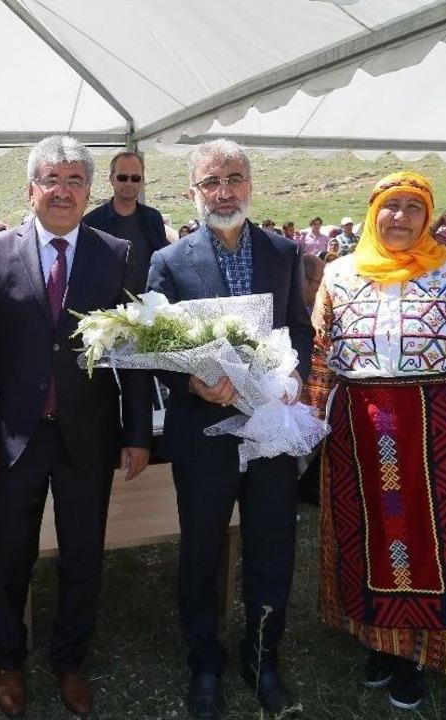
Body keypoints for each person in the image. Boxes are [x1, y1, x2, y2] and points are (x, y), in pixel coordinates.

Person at [306, 172, 446, 712]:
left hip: (439, 425)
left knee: (437, 540)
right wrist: (309, 421)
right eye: (389, 206)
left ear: (429, 217)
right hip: (359, 426)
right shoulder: (339, 274)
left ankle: (427, 652)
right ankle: (381, 642)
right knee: (370, 532)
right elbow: (320, 353)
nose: (399, 217)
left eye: (412, 207)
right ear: (372, 212)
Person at [0, 135, 152, 719]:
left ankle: (70, 661)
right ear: (31, 189)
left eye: (75, 181)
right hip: (14, 434)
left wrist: (138, 432)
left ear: (88, 191)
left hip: (87, 435)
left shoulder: (116, 253)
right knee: (10, 555)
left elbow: (136, 348)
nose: (63, 191)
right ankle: (8, 660)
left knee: (82, 554)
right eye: (52, 179)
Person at [147, 139, 311, 720]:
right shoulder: (169, 261)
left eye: (234, 178)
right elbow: (157, 345)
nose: (224, 192)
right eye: (211, 181)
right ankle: (205, 662)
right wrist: (190, 383)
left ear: (250, 185)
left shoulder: (285, 253)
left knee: (272, 543)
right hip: (204, 430)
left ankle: (263, 656)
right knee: (202, 547)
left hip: (270, 428)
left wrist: (297, 382)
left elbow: (299, 331)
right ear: (194, 192)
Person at [83, 149, 170, 292]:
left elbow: (163, 260)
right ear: (112, 179)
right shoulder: (92, 223)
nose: (129, 183)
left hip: (149, 304)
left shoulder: (153, 218)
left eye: (135, 178)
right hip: (109, 309)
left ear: (142, 181)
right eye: (122, 177)